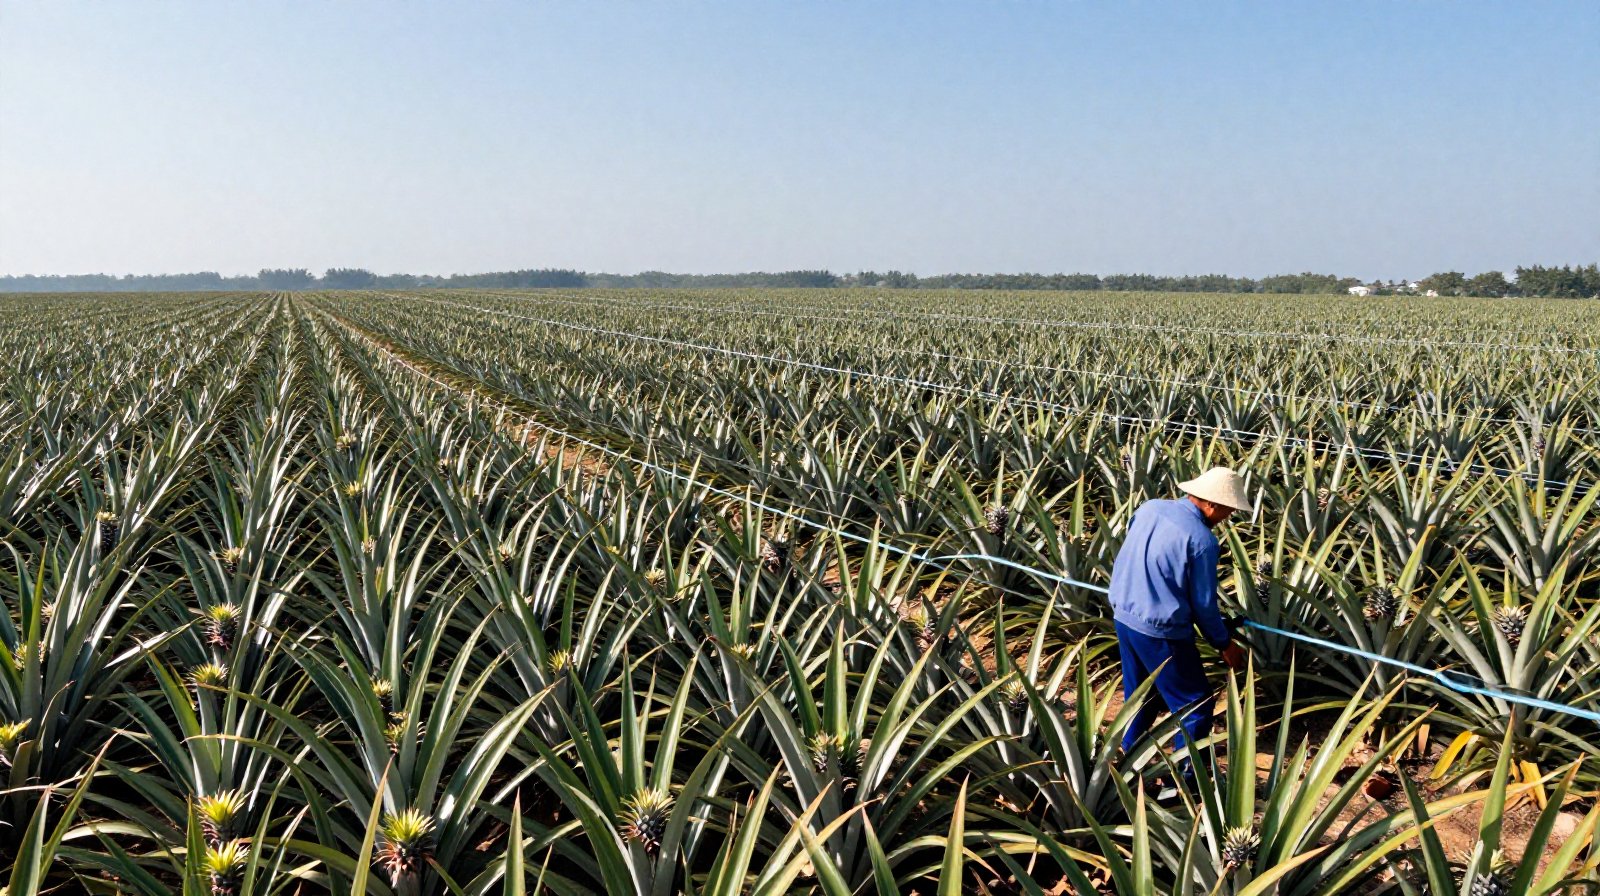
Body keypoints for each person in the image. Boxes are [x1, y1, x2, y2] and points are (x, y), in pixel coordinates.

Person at [1108, 467, 1251, 782]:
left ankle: (1123, 759)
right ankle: (1186, 780)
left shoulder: (1149, 508)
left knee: (1140, 695)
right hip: (1161, 632)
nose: (1229, 515)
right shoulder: (1202, 541)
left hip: (1124, 615)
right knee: (1194, 705)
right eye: (1229, 508)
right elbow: (1203, 605)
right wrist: (1223, 643)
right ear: (1212, 504)